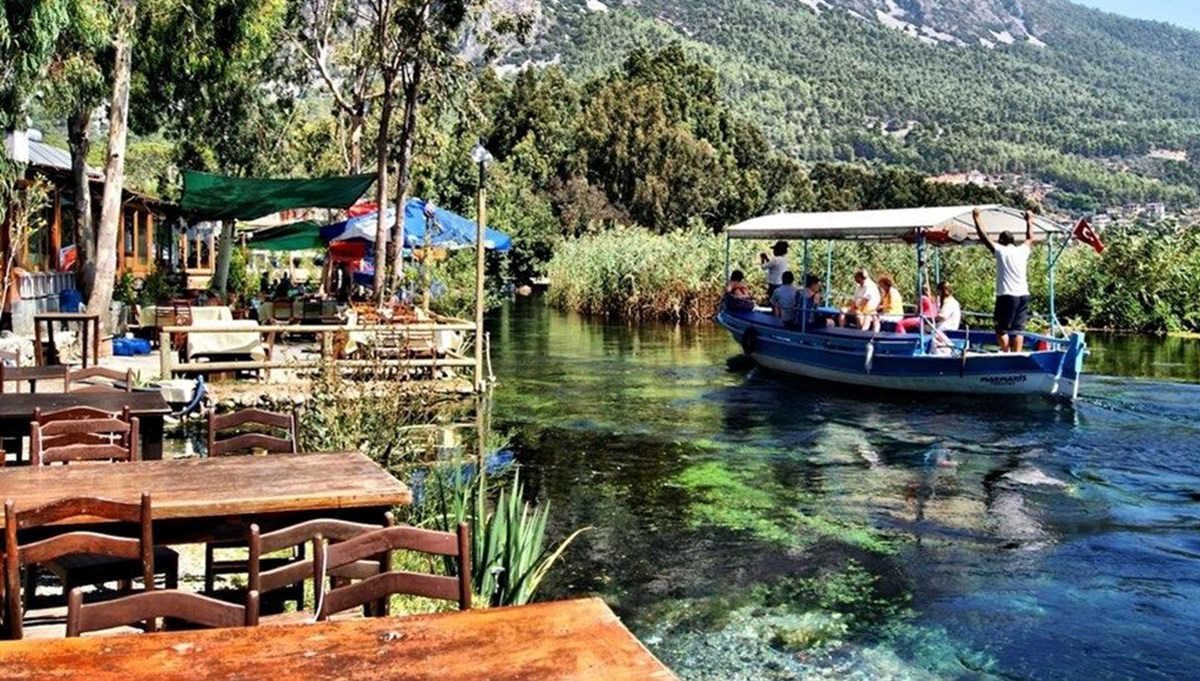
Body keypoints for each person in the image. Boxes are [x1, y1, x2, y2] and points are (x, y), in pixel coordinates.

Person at [974, 206, 1033, 352]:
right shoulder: (1022, 250)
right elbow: (1030, 238)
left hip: (1007, 295)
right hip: (1024, 294)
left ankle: (1006, 353)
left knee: (1001, 328)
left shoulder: (1001, 250)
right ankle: (1017, 355)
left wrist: (976, 218)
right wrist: (1029, 220)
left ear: (1001, 240)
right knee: (1018, 328)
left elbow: (984, 237)